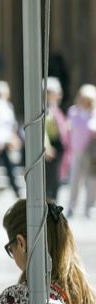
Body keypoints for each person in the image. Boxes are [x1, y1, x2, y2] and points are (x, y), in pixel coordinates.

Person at [66, 84, 96, 218]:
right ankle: (72, 206)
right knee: (75, 179)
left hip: (92, 153)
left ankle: (90, 207)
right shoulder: (73, 111)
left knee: (91, 180)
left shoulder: (94, 113)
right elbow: (69, 128)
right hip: (77, 151)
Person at [43, 77, 69, 201]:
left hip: (59, 145)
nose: (59, 94)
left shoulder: (54, 107)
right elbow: (42, 130)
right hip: (51, 146)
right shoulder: (44, 108)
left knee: (57, 177)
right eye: (56, 92)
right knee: (51, 179)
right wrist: (46, 147)